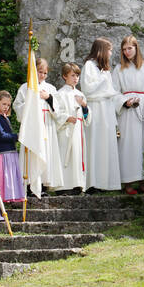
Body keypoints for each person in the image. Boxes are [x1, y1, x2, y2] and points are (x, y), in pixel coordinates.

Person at [113, 34, 144, 194]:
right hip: (128, 110)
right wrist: (125, 102)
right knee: (129, 144)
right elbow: (114, 92)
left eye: (129, 48)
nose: (127, 52)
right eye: (124, 49)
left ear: (136, 48)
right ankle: (128, 182)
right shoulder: (119, 69)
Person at [81, 37, 123, 191]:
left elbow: (110, 90)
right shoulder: (89, 66)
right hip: (95, 108)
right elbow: (87, 88)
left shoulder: (105, 69)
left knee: (106, 145)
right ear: (102, 51)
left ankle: (106, 182)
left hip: (106, 109)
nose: (111, 54)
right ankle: (92, 182)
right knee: (95, 144)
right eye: (110, 50)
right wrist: (103, 84)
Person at [16, 57, 63, 192]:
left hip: (46, 124)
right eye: (39, 72)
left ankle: (43, 184)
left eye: (44, 73)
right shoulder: (25, 87)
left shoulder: (51, 88)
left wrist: (49, 98)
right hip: (32, 126)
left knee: (45, 152)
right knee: (33, 151)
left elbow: (58, 110)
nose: (42, 75)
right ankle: (30, 184)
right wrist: (32, 98)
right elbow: (17, 106)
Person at [51, 62, 88, 192]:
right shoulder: (60, 94)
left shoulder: (80, 94)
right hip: (66, 129)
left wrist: (84, 106)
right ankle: (63, 186)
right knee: (65, 155)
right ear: (65, 76)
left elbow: (87, 117)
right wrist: (66, 117)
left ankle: (78, 184)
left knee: (77, 155)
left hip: (78, 130)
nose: (75, 78)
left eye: (77, 75)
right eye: (72, 75)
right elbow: (56, 112)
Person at [0, 90, 23, 216]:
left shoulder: (3, 117)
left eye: (8, 105)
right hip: (1, 155)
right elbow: (0, 135)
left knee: (4, 182)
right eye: (3, 104)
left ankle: (0, 212)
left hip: (9, 153)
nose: (6, 107)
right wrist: (17, 136)